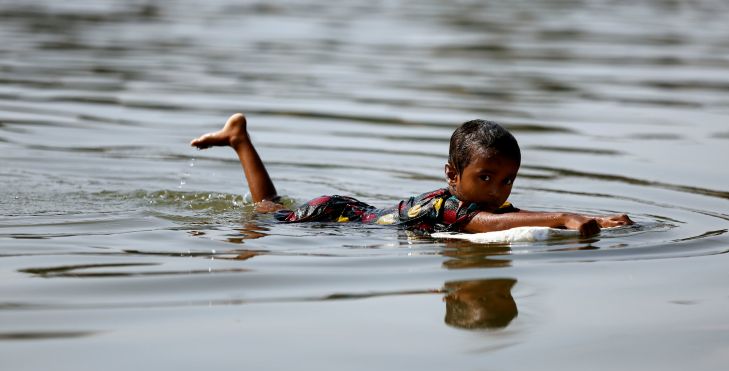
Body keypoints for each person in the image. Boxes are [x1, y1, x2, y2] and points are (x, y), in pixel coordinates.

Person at [191, 114, 632, 236]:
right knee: (265, 218)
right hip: (334, 217)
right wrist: (564, 218)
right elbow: (498, 222)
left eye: (508, 180)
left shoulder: (480, 204)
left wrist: (600, 219)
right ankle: (241, 141)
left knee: (270, 209)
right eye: (486, 177)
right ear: (452, 175)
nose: (499, 191)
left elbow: (512, 216)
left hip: (358, 212)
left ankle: (238, 138)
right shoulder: (453, 207)